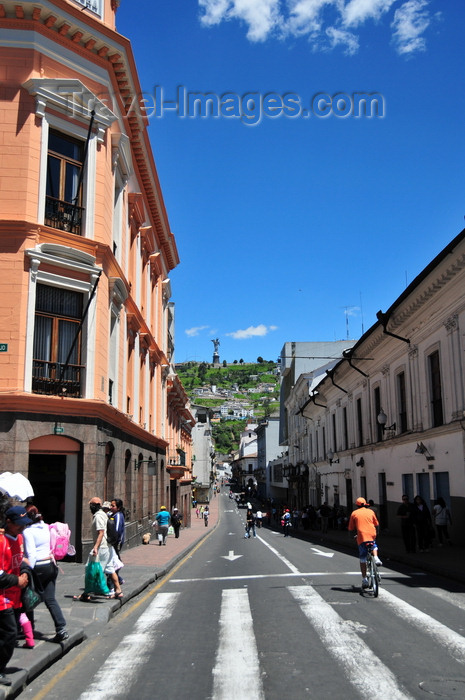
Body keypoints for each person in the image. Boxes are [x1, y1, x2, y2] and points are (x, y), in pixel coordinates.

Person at [23, 505, 68, 642]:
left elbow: (31, 553)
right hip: (51, 565)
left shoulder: (28, 532)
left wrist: (28, 571)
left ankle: (28, 630)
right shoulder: (47, 527)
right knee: (50, 599)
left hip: (39, 567)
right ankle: (61, 628)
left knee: (27, 598)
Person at [0, 506, 31, 686]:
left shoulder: (19, 538)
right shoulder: (1, 541)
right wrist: (16, 580)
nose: (22, 527)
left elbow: (23, 559)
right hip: (2, 596)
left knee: (7, 634)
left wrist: (25, 573)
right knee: (10, 634)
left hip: (15, 597)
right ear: (8, 522)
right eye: (19, 524)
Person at [74, 497, 122, 601]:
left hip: (102, 547)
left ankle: (86, 594)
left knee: (90, 568)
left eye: (91, 505)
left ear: (94, 505)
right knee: (109, 568)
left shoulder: (99, 516)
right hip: (106, 547)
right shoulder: (102, 515)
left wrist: (95, 547)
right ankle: (118, 590)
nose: (90, 507)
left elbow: (101, 532)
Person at [348, 497, 382, 590]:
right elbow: (376, 524)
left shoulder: (354, 513)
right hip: (372, 533)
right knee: (374, 545)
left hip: (362, 536)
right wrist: (377, 534)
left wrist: (352, 536)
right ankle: (376, 557)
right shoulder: (370, 511)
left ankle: (364, 579)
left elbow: (351, 528)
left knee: (363, 558)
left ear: (357, 505)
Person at [109, 499, 125, 584]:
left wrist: (113, 541)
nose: (111, 507)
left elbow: (117, 530)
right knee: (115, 560)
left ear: (118, 508)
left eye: (113, 506)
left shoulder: (118, 516)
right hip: (114, 542)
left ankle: (114, 580)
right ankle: (118, 578)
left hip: (116, 542)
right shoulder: (114, 515)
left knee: (115, 561)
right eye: (111, 505)